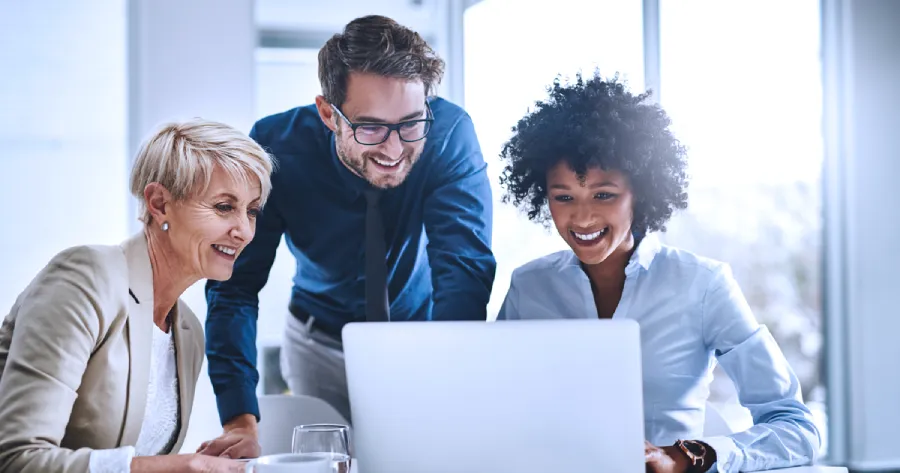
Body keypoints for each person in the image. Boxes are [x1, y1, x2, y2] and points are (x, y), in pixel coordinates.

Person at [200, 14, 496, 459]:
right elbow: (235, 287)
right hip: (318, 340)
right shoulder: (276, 147)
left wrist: (447, 380)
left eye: (411, 123)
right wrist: (240, 417)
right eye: (371, 127)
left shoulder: (448, 134)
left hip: (423, 337)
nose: (394, 150)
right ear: (328, 114)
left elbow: (463, 270)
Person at [495, 73, 821, 473]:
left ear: (642, 192)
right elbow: (495, 411)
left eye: (604, 194)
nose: (581, 217)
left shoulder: (703, 285)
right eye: (563, 197)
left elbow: (796, 428)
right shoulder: (529, 287)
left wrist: (687, 456)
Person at [0, 119, 274, 473]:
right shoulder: (86, 278)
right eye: (224, 207)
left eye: (251, 211)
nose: (244, 231)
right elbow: (17, 459)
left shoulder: (187, 330)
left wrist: (210, 462)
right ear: (159, 203)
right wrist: (178, 467)